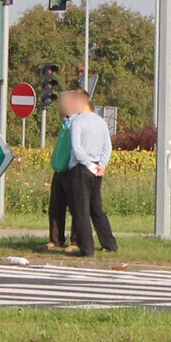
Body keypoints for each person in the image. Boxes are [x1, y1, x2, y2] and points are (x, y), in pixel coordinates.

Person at [68, 90, 117, 257]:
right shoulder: (101, 122)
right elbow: (107, 146)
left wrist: (89, 165)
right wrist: (101, 165)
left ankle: (86, 248)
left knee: (81, 210)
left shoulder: (77, 122)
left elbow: (77, 147)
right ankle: (109, 243)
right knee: (96, 208)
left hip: (82, 168)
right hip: (97, 169)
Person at [44, 91, 78, 251]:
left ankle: (76, 241)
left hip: (72, 169)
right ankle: (56, 239)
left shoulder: (78, 122)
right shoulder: (65, 122)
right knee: (56, 206)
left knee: (76, 207)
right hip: (59, 169)